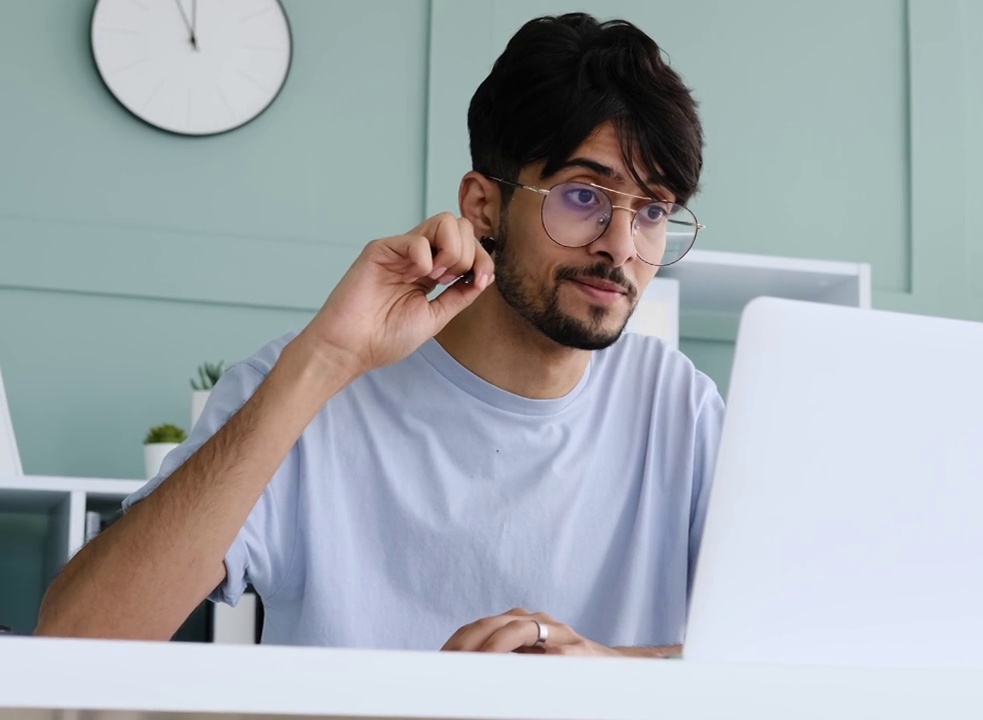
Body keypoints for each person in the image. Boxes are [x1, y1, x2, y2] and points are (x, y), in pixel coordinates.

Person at [34, 12, 719, 659]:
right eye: (583, 196)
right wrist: (326, 361)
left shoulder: (682, 410)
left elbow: (801, 657)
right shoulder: (310, 384)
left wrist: (607, 670)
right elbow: (76, 643)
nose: (622, 246)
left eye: (654, 210)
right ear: (483, 204)